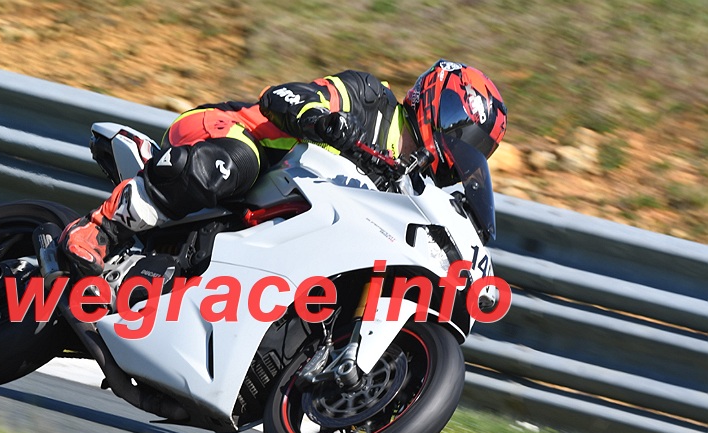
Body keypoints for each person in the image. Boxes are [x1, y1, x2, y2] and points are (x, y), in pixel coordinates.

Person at [60, 60, 508, 276]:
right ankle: (99, 230)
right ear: (437, 100)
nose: (462, 147)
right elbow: (281, 97)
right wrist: (322, 120)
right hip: (236, 135)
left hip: (283, 218)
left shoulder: (413, 185)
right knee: (237, 162)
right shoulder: (370, 99)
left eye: (476, 146)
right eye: (462, 129)